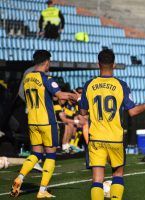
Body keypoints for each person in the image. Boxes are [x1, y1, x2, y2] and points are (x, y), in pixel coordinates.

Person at [79, 49, 145, 200]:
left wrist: (79, 100)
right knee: (118, 175)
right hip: (115, 138)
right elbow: (133, 112)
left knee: (97, 179)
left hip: (96, 138)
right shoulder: (121, 85)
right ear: (113, 64)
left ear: (98, 64)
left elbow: (82, 112)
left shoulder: (89, 85)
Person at [10, 50, 77, 198]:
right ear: (46, 62)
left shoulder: (27, 78)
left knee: (36, 153)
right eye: (50, 62)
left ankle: (19, 178)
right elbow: (59, 95)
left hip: (32, 121)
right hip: (47, 122)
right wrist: (76, 97)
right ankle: (42, 190)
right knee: (51, 156)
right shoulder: (47, 78)